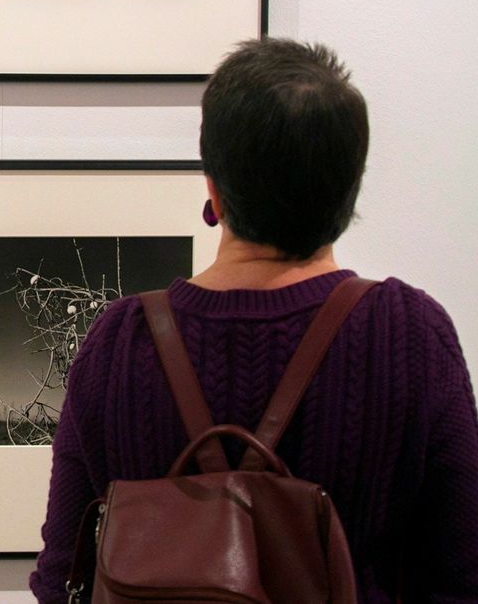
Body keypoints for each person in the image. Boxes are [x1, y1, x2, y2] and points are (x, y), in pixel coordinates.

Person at [31, 38, 478, 602]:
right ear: (350, 189)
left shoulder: (118, 342)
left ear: (213, 186)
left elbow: (61, 577)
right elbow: (462, 576)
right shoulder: (409, 333)